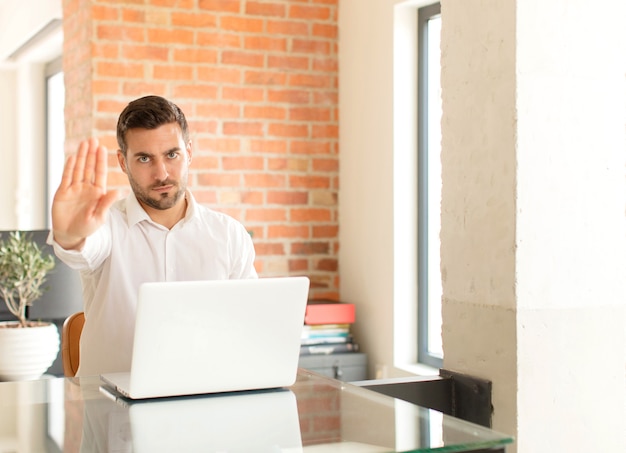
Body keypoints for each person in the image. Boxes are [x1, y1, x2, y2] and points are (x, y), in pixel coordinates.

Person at [49, 95, 257, 376]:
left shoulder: (229, 235)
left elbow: (250, 325)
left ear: (190, 153)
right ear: (123, 162)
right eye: (144, 158)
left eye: (172, 155)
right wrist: (70, 235)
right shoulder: (106, 227)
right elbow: (82, 248)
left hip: (206, 397)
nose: (161, 174)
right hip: (112, 409)